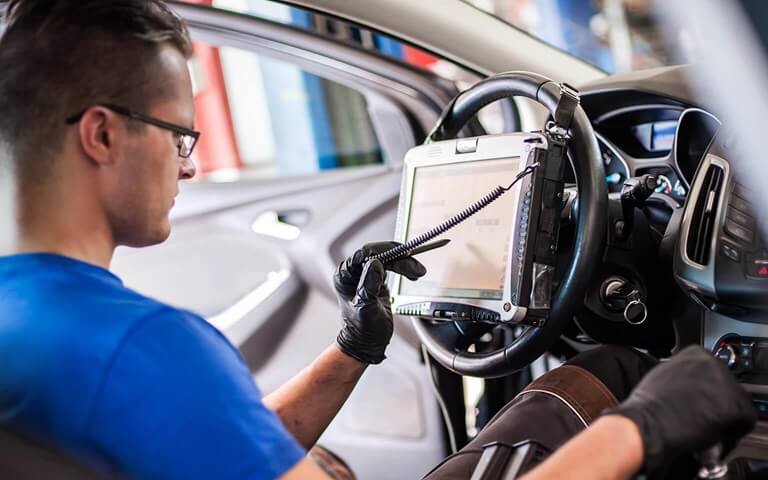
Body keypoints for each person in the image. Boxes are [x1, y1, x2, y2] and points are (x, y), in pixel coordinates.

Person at [0, 1, 756, 479]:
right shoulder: (141, 350)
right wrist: (640, 430)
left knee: (607, 367)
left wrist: (355, 348)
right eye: (180, 135)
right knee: (614, 382)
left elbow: (222, 445)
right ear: (102, 134)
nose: (189, 167)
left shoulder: (34, 322)